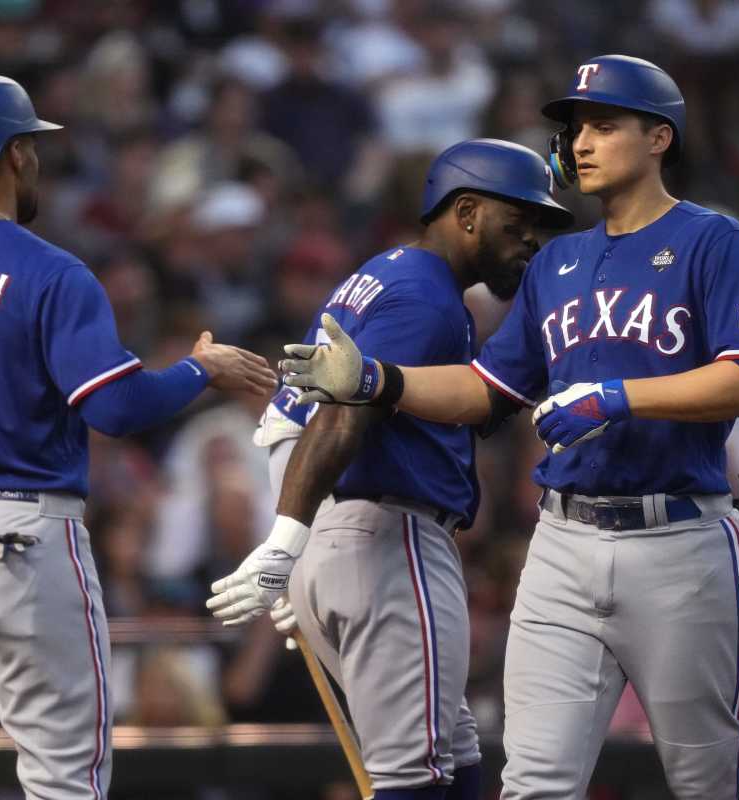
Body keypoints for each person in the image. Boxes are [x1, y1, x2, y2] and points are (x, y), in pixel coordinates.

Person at [282, 55, 739, 799]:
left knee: (708, 781)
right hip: (563, 544)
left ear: (659, 138)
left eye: (603, 125)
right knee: (535, 785)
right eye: (575, 128)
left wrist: (620, 397)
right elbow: (485, 390)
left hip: (680, 542)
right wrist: (377, 380)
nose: (580, 143)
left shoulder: (715, 241)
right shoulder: (559, 264)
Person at [0, 75, 275, 800]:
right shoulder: (51, 272)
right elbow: (119, 410)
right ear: (13, 156)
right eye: (30, 144)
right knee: (65, 780)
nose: (35, 158)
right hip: (20, 535)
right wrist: (200, 368)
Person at [208, 139, 573, 798]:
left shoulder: (382, 274)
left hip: (339, 539)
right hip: (386, 543)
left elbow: (283, 424)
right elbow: (345, 414)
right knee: (416, 775)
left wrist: (301, 547)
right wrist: (285, 545)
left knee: (454, 750)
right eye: (518, 222)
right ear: (466, 212)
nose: (532, 240)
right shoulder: (424, 296)